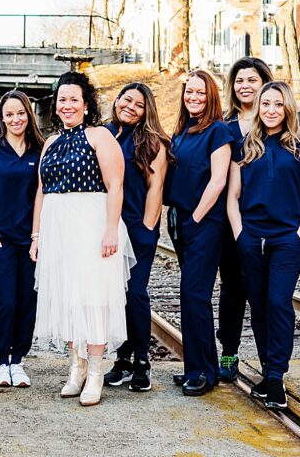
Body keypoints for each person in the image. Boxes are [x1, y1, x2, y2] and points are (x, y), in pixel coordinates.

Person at [31, 71, 134, 407]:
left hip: (91, 224)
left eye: (74, 99)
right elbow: (42, 192)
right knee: (70, 298)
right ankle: (76, 367)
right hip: (59, 228)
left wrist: (110, 229)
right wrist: (37, 235)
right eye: (62, 99)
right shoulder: (50, 143)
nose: (67, 105)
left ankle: (95, 373)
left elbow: (116, 186)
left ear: (87, 105)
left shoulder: (100, 137)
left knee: (93, 298)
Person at [227, 81, 300, 410]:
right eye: (265, 104)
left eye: (277, 105)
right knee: (259, 306)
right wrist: (240, 233)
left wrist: (299, 235)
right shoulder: (243, 147)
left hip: (286, 240)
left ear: (287, 109)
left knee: (279, 303)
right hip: (251, 238)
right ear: (258, 107)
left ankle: (277, 376)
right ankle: (267, 371)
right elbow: (233, 196)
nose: (270, 110)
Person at [163, 69, 233, 396]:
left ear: (212, 97)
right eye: (189, 92)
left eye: (200, 93)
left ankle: (200, 373)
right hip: (180, 220)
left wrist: (195, 217)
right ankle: (203, 367)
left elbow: (218, 181)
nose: (194, 98)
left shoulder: (218, 131)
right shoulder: (183, 132)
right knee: (194, 298)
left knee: (194, 294)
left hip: (204, 222)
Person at [0, 90, 45, 388]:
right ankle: (2, 361)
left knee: (28, 299)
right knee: (4, 301)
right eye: (9, 114)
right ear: (1, 118)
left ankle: (19, 362)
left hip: (29, 239)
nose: (16, 119)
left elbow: (41, 193)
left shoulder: (39, 148)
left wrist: (37, 235)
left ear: (29, 115)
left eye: (21, 113)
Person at [102, 83, 170, 393]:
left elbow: (155, 189)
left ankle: (142, 361)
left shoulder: (152, 142)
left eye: (139, 104)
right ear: (116, 101)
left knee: (135, 294)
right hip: (105, 228)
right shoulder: (101, 135)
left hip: (136, 227)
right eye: (126, 99)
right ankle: (123, 359)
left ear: (147, 111)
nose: (131, 106)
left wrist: (145, 228)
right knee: (113, 296)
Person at [216, 56, 274, 381]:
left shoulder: (275, 125)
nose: (245, 86)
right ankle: (228, 351)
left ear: (264, 82)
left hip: (266, 222)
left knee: (263, 292)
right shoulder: (224, 128)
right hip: (230, 221)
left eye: (252, 80)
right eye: (239, 81)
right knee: (232, 288)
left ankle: (269, 361)